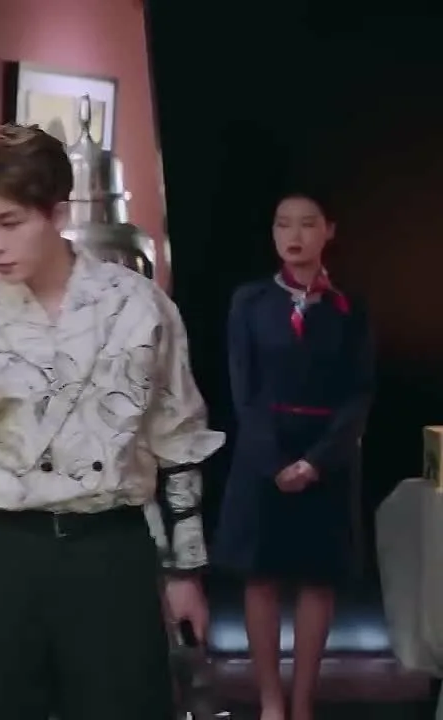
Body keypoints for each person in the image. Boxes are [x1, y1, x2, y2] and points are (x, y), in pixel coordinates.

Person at [0, 124, 224, 719]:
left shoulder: (137, 306)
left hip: (111, 551)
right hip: (7, 555)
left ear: (56, 212)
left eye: (10, 223)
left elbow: (179, 439)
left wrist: (185, 572)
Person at [212, 190, 374, 720]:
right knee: (260, 578)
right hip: (263, 454)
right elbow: (243, 388)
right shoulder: (250, 300)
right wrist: (275, 461)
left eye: (307, 224)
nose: (294, 235)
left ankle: (303, 704)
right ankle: (270, 702)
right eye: (283, 224)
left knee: (317, 580)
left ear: (330, 230)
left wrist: (317, 461)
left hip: (327, 457)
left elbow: (359, 394)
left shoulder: (351, 307)